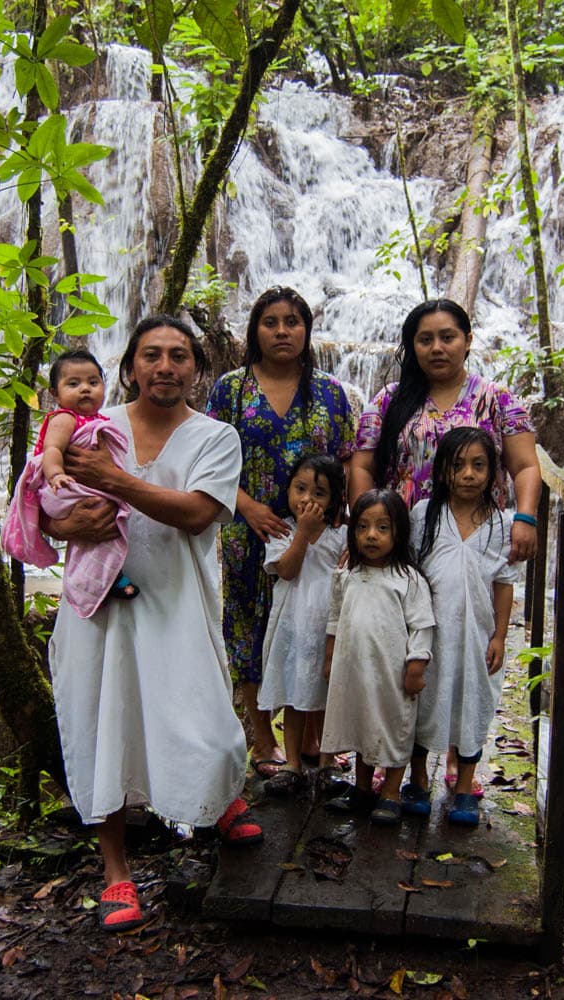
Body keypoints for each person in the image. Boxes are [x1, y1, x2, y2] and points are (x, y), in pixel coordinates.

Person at [43, 316, 262, 933]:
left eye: (179, 356)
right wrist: (65, 527)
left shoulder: (216, 437)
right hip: (99, 605)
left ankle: (217, 797)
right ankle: (116, 872)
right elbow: (39, 507)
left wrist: (114, 480)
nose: (165, 366)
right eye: (151, 356)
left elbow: (197, 514)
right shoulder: (92, 426)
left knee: (204, 720)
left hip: (178, 598)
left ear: (197, 368)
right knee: (101, 725)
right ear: (131, 367)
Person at [348, 297, 543, 795]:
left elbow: (524, 466)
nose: (437, 347)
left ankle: (459, 760)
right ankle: (394, 756)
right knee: (405, 650)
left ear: (467, 340)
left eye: (447, 336)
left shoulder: (497, 399)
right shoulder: (391, 399)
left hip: (474, 538)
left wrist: (524, 517)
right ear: (412, 346)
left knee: (463, 643)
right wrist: (362, 526)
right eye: (425, 339)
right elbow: (363, 465)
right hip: (400, 543)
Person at [206, 287, 356, 778]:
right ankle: (262, 735)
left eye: (292, 321)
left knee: (309, 628)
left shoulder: (331, 393)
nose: (282, 331)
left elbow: (350, 461)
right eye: (270, 322)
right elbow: (206, 461)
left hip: (318, 537)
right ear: (254, 331)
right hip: (248, 531)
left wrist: (338, 525)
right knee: (250, 626)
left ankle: (311, 733)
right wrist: (245, 507)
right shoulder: (231, 390)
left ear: (307, 330)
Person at [403, 427, 516, 828]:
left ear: (492, 472)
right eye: (458, 465)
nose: (468, 474)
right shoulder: (424, 515)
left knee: (472, 703)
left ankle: (465, 786)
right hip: (430, 632)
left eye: (479, 465)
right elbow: (411, 575)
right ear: (443, 470)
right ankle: (417, 778)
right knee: (424, 701)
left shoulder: (503, 524)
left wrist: (500, 635)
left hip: (476, 635)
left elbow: (504, 583)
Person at [320, 488, 435, 826]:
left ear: (398, 532)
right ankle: (362, 786)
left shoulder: (408, 579)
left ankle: (391, 792)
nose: (371, 536)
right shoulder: (348, 574)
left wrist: (417, 665)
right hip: (354, 672)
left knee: (392, 728)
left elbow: (423, 626)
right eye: (363, 527)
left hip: (391, 675)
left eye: (382, 527)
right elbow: (335, 618)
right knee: (361, 725)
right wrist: (330, 657)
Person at [0, 349, 137, 618]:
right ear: (55, 394)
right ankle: (98, 583)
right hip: (63, 488)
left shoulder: (99, 420)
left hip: (72, 485)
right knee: (103, 518)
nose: (85, 389)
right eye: (73, 384)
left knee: (102, 529)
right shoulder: (65, 418)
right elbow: (51, 450)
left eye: (93, 383)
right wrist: (56, 475)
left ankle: (101, 581)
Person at [257, 453, 348, 797]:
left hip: (327, 629)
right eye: (300, 488)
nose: (307, 499)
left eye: (319, 493)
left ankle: (327, 761)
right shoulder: (282, 530)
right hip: (293, 629)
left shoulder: (342, 535)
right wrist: (303, 534)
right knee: (295, 697)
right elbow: (288, 570)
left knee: (326, 698)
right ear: (289, 489)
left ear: (334, 500)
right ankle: (293, 763)